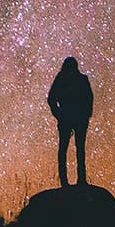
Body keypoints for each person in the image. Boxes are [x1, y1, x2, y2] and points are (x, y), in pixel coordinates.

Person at [46, 56, 93, 186]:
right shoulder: (81, 79)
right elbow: (89, 100)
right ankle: (80, 180)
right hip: (76, 118)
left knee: (65, 150)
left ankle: (66, 182)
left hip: (69, 118)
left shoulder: (61, 79)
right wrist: (85, 116)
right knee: (78, 149)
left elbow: (51, 99)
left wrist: (59, 115)